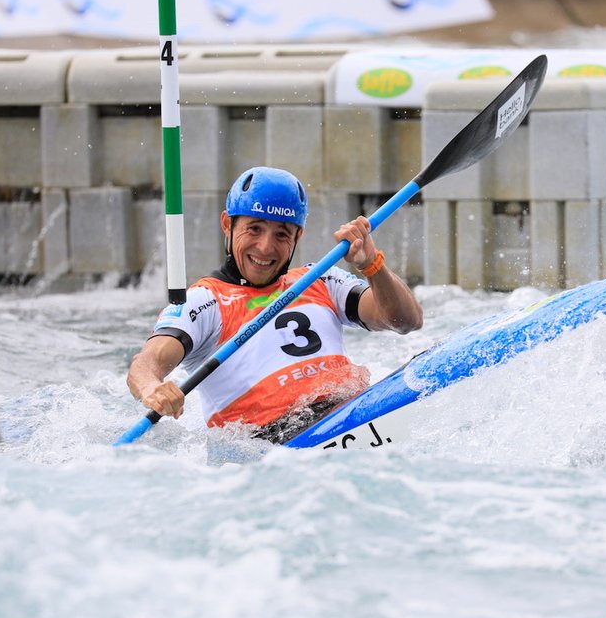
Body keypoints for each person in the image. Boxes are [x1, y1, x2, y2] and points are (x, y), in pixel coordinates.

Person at [127, 166, 424, 444]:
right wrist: (153, 388)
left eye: (282, 234)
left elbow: (405, 320)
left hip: (352, 412)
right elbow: (146, 363)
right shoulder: (203, 301)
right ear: (227, 225)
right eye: (254, 229)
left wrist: (372, 265)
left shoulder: (319, 278)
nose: (266, 247)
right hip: (274, 444)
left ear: (298, 237)